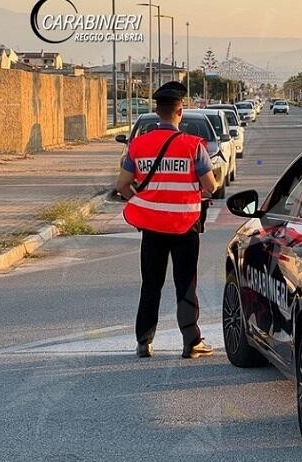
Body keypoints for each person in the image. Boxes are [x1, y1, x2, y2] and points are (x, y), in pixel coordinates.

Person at [116, 82, 218, 359]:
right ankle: (191, 342)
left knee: (151, 283)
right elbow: (211, 186)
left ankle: (144, 342)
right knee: (185, 283)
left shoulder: (138, 145)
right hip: (185, 227)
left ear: (157, 111)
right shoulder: (192, 146)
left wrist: (141, 202)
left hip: (151, 228)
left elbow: (123, 185)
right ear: (180, 112)